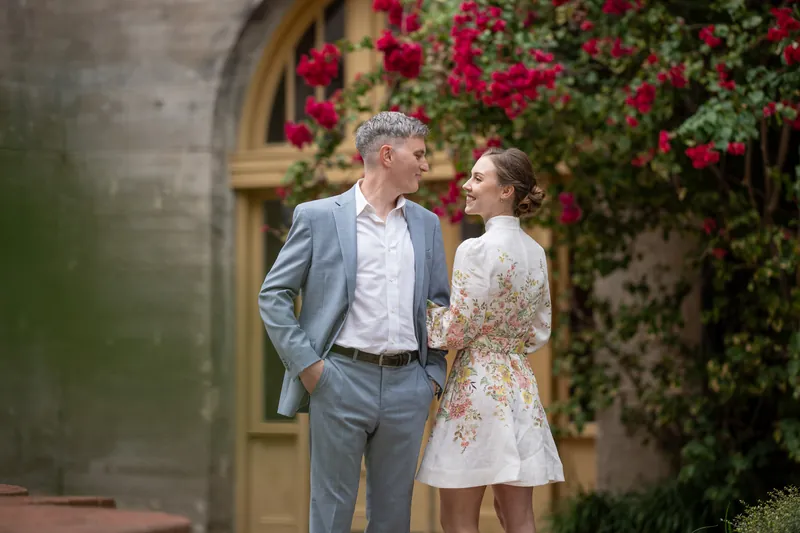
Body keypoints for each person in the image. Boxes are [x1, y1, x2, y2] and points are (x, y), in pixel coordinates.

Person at [258, 111, 450, 533]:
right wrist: (310, 368)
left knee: (393, 517)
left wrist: (431, 375)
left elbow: (439, 306)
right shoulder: (318, 217)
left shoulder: (427, 225)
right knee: (330, 513)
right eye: (418, 154)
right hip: (338, 379)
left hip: (408, 387)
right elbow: (274, 295)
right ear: (387, 155)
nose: (425, 164)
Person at [416, 147, 565, 533]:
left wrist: (420, 316)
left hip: (476, 388)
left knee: (458, 518)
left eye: (478, 178)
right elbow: (539, 329)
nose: (467, 185)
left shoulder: (475, 249)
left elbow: (458, 329)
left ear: (507, 191)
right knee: (519, 518)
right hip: (519, 386)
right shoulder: (536, 252)